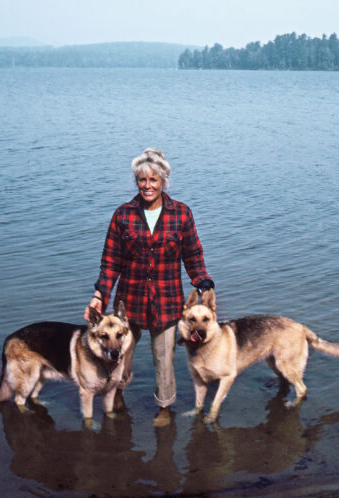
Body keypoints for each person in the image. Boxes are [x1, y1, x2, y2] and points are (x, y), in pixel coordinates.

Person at [85, 148, 214, 426]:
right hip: (127, 305)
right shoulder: (123, 215)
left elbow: (193, 257)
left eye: (154, 180)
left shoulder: (181, 214)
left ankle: (164, 409)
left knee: (164, 361)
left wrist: (204, 284)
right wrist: (99, 295)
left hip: (167, 301)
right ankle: (116, 396)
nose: (148, 186)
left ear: (164, 181)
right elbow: (110, 264)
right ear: (136, 182)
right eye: (142, 180)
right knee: (119, 357)